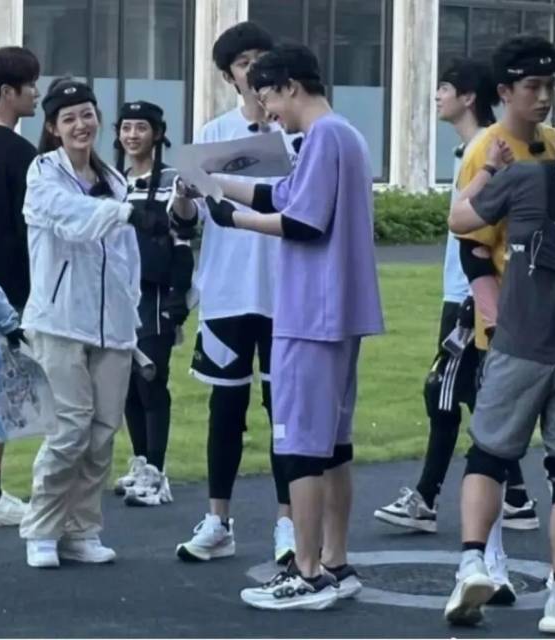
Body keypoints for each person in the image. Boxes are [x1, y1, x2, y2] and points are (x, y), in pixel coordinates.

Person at [205, 42, 384, 611]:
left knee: (302, 446)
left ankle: (305, 572)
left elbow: (303, 220)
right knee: (333, 445)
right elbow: (282, 193)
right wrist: (216, 183)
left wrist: (233, 219)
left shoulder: (323, 137)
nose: (268, 111)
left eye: (269, 97)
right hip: (338, 311)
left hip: (312, 312)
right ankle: (334, 561)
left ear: (290, 86)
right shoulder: (341, 135)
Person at [444, 87, 555, 635]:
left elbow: (460, 220)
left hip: (518, 346)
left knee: (488, 456)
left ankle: (473, 562)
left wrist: (488, 171)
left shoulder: (525, 177)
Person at [375, 59, 535, 543]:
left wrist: (474, 296)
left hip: (471, 292)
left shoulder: (488, 148)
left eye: (445, 87)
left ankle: (427, 498)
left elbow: (482, 226)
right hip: (463, 289)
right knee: (475, 394)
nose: (437, 95)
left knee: (441, 390)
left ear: (469, 97)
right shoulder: (472, 150)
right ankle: (516, 496)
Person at [18, 78, 154, 568]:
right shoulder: (43, 173)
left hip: (113, 327)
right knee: (69, 429)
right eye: (69, 117)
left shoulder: (114, 179)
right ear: (53, 128)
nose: (81, 124)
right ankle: (42, 528)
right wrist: (124, 213)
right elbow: (70, 217)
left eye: (88, 114)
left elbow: (126, 260)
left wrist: (132, 315)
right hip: (59, 322)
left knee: (102, 433)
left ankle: (82, 529)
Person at [175, 22, 296, 565]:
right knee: (226, 408)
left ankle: (289, 522)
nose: (254, 69)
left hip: (286, 292)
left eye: (261, 57)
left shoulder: (297, 131)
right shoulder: (215, 133)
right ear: (229, 76)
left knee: (284, 411)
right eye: (244, 62)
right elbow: (188, 220)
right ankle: (217, 519)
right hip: (227, 291)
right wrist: (184, 195)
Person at [113, 100, 197, 507]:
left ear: (158, 133)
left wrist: (179, 295)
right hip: (119, 295)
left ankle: (158, 475)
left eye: (141, 127)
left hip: (158, 294)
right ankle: (142, 465)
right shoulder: (114, 181)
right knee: (127, 385)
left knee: (151, 380)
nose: (132, 135)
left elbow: (185, 230)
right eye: (126, 127)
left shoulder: (172, 180)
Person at [0, 46, 40, 526]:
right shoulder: (23, 157)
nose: (36, 92)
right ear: (7, 92)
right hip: (1, 290)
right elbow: (28, 232)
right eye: (30, 84)